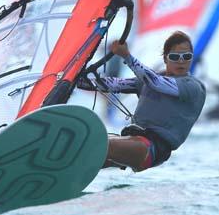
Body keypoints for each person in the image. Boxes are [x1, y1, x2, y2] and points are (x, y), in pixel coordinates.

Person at [77, 31, 206, 172]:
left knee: (101, 146)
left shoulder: (193, 86)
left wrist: (127, 56)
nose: (181, 61)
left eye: (186, 57)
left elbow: (156, 83)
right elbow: (113, 84)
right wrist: (78, 80)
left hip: (152, 148)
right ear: (165, 58)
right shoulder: (149, 80)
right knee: (87, 151)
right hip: (133, 139)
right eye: (175, 57)